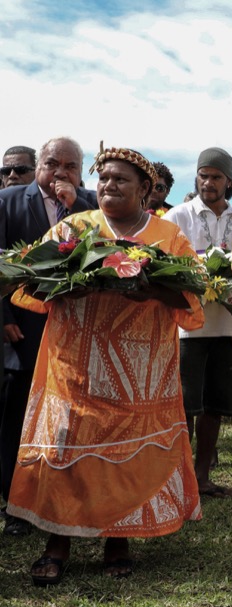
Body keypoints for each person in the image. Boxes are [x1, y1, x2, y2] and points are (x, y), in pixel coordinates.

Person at [7, 145, 204, 585]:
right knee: (65, 449)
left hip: (139, 372)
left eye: (121, 180)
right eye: (105, 178)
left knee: (126, 455)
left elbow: (190, 296)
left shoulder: (167, 238)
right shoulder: (73, 227)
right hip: (74, 363)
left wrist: (150, 287)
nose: (109, 185)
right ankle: (57, 542)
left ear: (146, 190)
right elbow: (32, 284)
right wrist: (67, 288)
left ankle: (119, 540)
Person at [0, 137, 98, 538]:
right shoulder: (8, 201)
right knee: (20, 415)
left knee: (70, 420)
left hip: (77, 330)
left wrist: (74, 205)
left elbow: (106, 249)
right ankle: (15, 506)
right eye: (52, 163)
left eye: (70, 166)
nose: (60, 172)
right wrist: (4, 316)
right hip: (24, 326)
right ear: (38, 165)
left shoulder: (92, 204)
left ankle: (64, 501)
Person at [163, 147, 232, 499]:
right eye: (203, 175)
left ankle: (202, 476)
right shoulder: (178, 216)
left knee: (216, 404)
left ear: (228, 181)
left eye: (216, 176)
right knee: (185, 405)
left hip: (227, 325)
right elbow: (165, 263)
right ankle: (177, 478)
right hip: (187, 327)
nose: (208, 182)